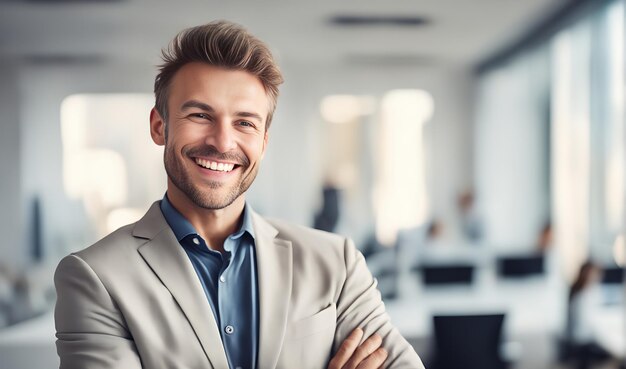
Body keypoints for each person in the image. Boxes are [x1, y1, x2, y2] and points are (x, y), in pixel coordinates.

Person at [53, 21, 424, 369]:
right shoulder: (95, 277)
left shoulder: (335, 264)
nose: (222, 142)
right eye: (200, 115)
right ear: (159, 126)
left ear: (263, 142)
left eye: (244, 122)